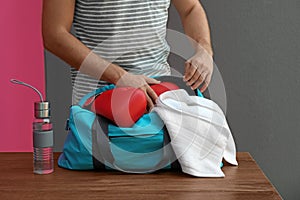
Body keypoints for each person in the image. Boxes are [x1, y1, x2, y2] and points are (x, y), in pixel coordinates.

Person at [42, 0, 213, 110]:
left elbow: (191, 8)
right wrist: (120, 77)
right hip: (97, 104)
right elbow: (54, 35)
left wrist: (204, 51)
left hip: (159, 99)